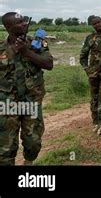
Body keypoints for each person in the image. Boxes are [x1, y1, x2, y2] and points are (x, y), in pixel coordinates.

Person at [0, 12, 53, 165]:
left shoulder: (36, 44)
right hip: (7, 104)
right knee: (5, 147)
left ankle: (28, 161)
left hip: (31, 102)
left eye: (24, 21)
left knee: (33, 143)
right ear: (8, 27)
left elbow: (49, 64)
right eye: (19, 22)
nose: (24, 24)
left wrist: (26, 52)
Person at [80, 16, 101, 135]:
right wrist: (87, 70)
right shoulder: (90, 38)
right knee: (94, 98)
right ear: (93, 26)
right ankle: (96, 122)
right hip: (93, 74)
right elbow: (82, 56)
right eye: (95, 24)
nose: (98, 25)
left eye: (99, 22)